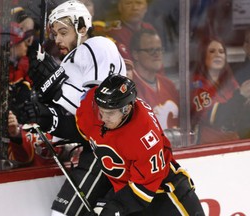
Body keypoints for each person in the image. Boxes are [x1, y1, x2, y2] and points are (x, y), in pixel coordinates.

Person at [19, 1, 126, 215]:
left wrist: (57, 88)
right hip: (99, 148)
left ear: (82, 28)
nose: (57, 39)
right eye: (54, 34)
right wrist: (41, 114)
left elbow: (102, 112)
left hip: (113, 148)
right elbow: (77, 123)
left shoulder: (96, 46)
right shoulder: (68, 63)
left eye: (63, 32)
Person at [51, 74, 205, 216]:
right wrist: (49, 120)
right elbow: (81, 130)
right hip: (126, 194)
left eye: (110, 113)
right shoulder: (93, 105)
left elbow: (143, 189)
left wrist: (113, 208)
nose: (103, 117)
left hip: (164, 194)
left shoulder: (144, 135)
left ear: (127, 109)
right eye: (101, 110)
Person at [190, 36, 250, 144]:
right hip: (209, 148)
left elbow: (247, 114)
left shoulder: (229, 82)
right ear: (203, 56)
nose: (218, 55)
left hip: (234, 143)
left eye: (221, 52)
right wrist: (241, 95)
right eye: (212, 51)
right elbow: (216, 118)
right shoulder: (197, 86)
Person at [130, 28, 179, 130]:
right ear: (135, 54)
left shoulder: (169, 85)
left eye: (159, 49)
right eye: (151, 50)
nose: (157, 54)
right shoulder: (129, 87)